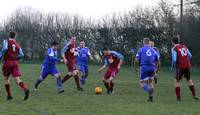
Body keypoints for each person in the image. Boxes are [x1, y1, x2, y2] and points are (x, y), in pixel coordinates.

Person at [1, 31, 29, 100]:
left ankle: (9, 95)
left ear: (9, 35)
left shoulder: (6, 41)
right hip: (15, 63)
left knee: (6, 79)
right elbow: (22, 55)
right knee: (17, 79)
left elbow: (4, 49)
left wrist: (1, 56)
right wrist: (16, 58)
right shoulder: (17, 44)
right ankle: (25, 88)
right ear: (15, 36)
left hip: (7, 62)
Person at [171, 36, 199, 101]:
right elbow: (190, 56)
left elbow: (174, 60)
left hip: (180, 67)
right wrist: (186, 61)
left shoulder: (174, 48)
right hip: (187, 66)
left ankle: (178, 98)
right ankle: (194, 95)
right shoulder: (184, 46)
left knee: (177, 81)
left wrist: (174, 66)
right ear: (178, 41)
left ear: (172, 42)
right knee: (189, 79)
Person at [134, 38, 159, 102]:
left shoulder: (141, 49)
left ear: (144, 42)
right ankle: (151, 97)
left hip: (144, 67)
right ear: (149, 43)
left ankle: (148, 90)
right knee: (150, 82)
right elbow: (157, 61)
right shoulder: (153, 50)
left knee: (142, 83)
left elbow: (136, 60)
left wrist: (135, 68)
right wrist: (156, 69)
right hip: (152, 67)